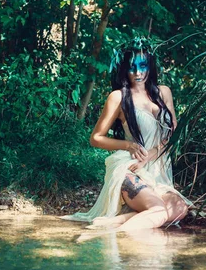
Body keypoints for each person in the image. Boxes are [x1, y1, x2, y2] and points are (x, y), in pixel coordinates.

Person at [61, 39, 192, 230]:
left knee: (180, 209)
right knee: (159, 211)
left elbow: (174, 133)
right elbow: (96, 138)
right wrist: (128, 145)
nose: (138, 73)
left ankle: (115, 223)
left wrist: (150, 156)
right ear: (125, 69)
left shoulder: (164, 93)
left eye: (143, 66)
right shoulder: (119, 97)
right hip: (130, 167)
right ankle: (110, 236)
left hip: (156, 170)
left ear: (150, 66)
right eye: (132, 68)